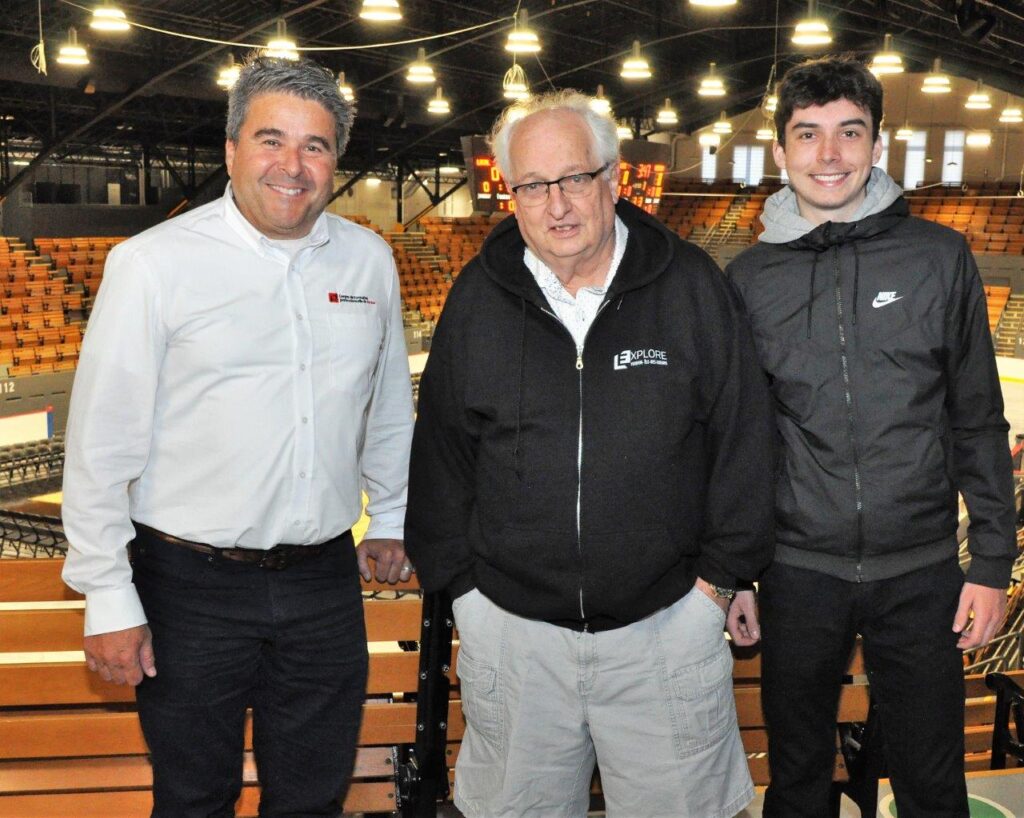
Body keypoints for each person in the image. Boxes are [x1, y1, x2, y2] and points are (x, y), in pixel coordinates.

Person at [404, 89, 776, 818]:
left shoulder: (690, 285)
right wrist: (468, 598)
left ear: (612, 178)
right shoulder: (477, 297)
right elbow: (442, 455)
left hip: (666, 630)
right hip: (514, 639)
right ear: (511, 194)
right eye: (533, 185)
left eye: (574, 177)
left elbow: (743, 439)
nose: (557, 205)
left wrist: (717, 586)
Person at [61, 55, 415, 818]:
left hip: (323, 583)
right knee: (194, 799)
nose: (293, 165)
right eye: (270, 140)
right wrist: (107, 592)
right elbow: (100, 445)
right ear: (230, 150)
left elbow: (386, 407)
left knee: (313, 800)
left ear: (335, 162)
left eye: (315, 146)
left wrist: (389, 516)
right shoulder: (151, 265)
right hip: (188, 589)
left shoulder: (369, 260)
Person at [725, 56, 1017, 818]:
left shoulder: (938, 258)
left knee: (931, 784)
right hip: (797, 574)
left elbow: (977, 416)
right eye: (808, 134)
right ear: (781, 149)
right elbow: (740, 441)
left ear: (878, 144)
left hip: (921, 572)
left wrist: (991, 562)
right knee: (796, 784)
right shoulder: (749, 279)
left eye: (849, 132)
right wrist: (735, 572)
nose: (829, 154)